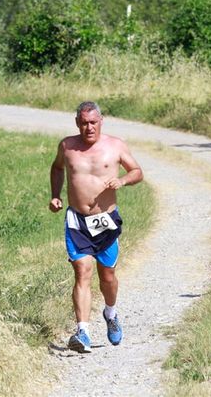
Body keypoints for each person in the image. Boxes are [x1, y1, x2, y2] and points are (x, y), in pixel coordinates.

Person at [49, 101, 143, 353]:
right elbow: (57, 168)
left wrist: (122, 180)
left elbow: (137, 171)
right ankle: (83, 332)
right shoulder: (67, 146)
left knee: (107, 276)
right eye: (83, 123)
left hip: (105, 220)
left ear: (101, 121)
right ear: (77, 122)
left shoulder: (115, 145)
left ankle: (110, 314)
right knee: (82, 270)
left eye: (93, 122)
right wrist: (55, 194)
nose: (88, 127)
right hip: (77, 220)